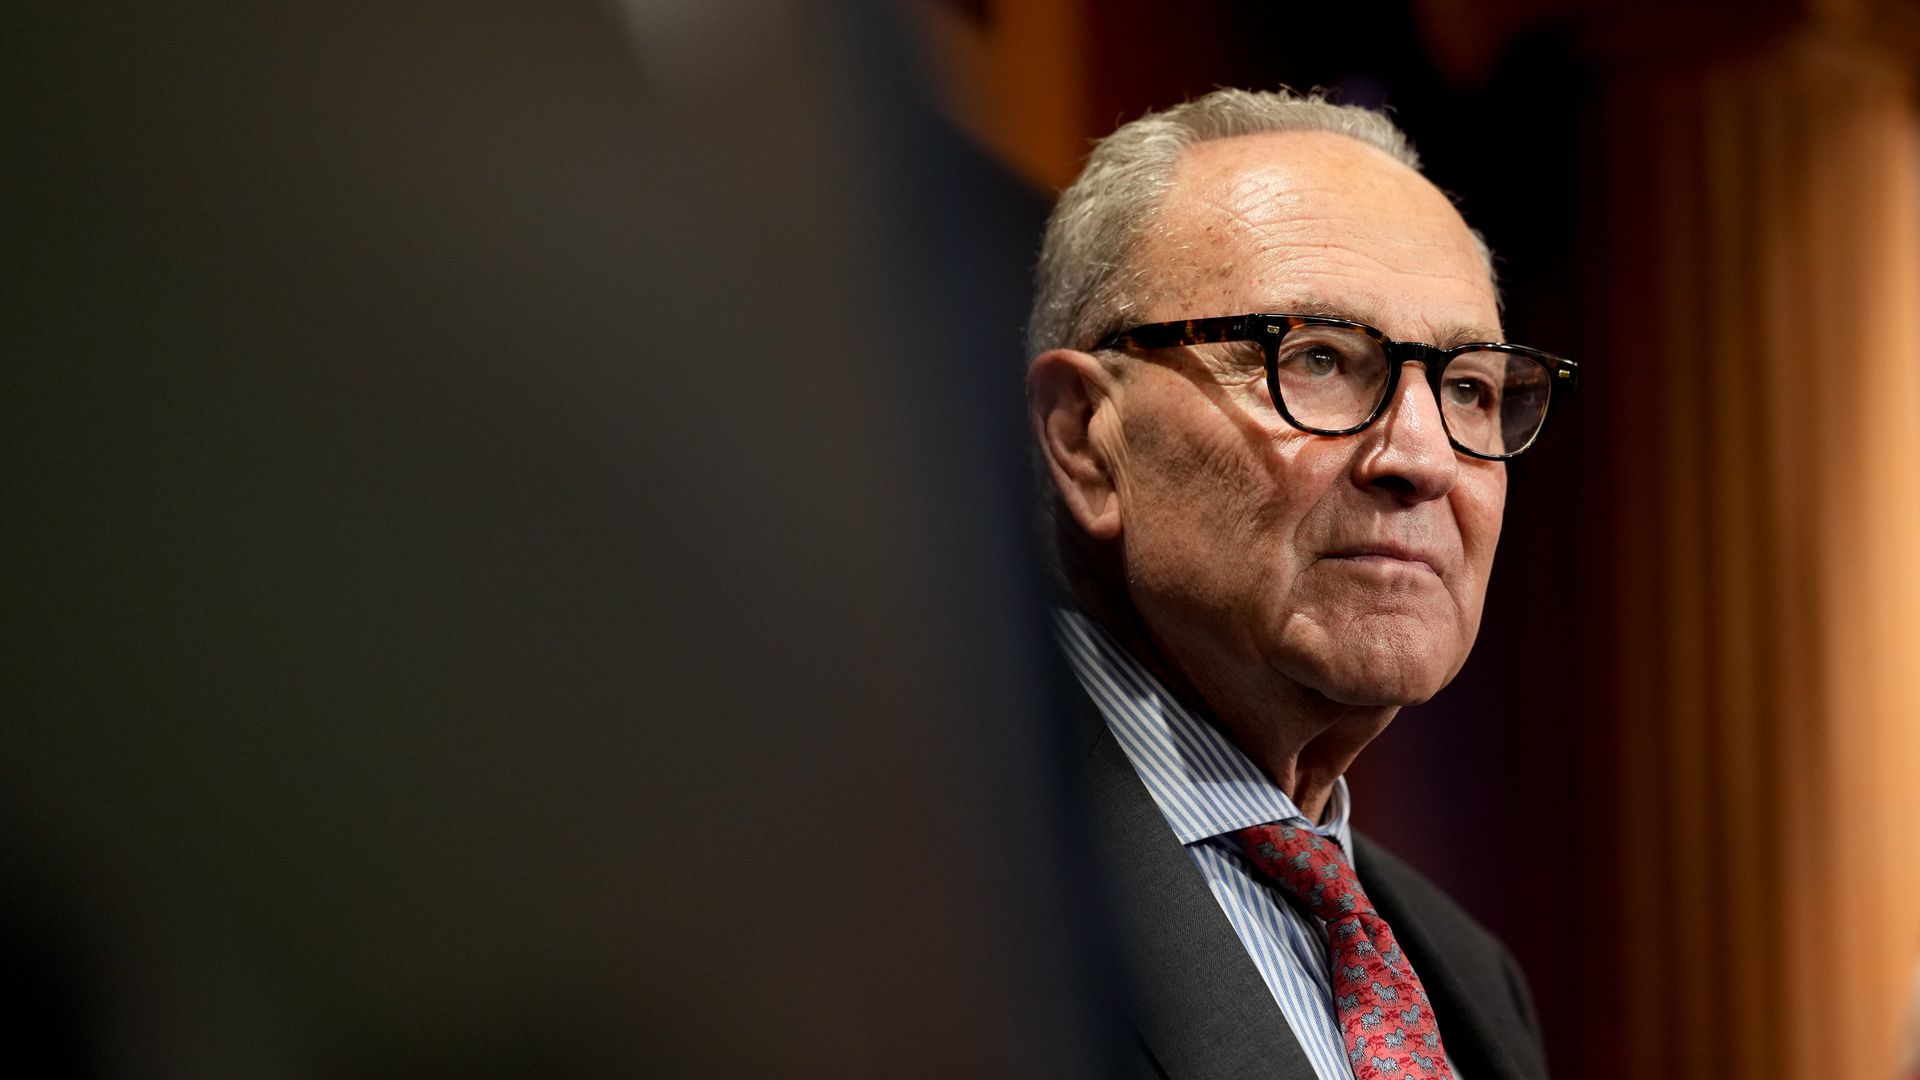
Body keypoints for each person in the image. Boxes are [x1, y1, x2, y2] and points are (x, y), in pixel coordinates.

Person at [1025, 89, 1575, 1080]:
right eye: (1318, 359)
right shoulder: (924, 885)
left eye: (1468, 389)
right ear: (1085, 439)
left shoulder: (1469, 979)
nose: (1421, 456)